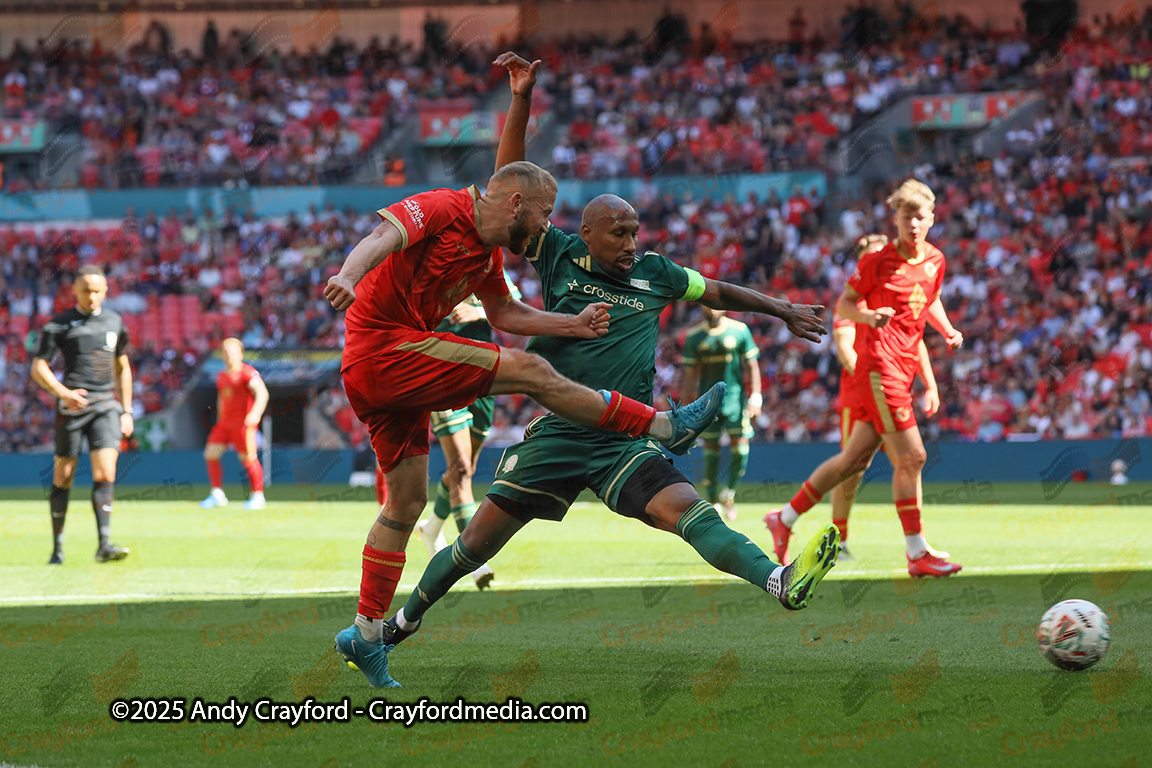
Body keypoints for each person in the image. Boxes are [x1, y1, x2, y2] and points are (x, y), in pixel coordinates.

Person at [359, 55, 836, 686]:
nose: (631, 242)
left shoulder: (657, 274)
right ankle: (398, 626)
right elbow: (511, 185)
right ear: (585, 233)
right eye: (618, 232)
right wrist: (521, 102)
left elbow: (716, 290)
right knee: (475, 545)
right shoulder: (558, 255)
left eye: (635, 231)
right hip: (560, 435)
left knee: (691, 514)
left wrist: (781, 310)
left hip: (621, 444)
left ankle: (778, 580)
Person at [765, 180, 964, 577]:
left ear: (931, 219)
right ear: (896, 218)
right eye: (906, 216)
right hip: (879, 370)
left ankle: (783, 518)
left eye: (919, 217)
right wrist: (868, 318)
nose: (912, 224)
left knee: (852, 461)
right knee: (913, 456)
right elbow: (844, 306)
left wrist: (946, 330)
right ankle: (916, 552)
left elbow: (931, 301)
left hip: (903, 370)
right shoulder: (878, 262)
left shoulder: (935, 261)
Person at [824, 233, 944, 562]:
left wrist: (929, 384)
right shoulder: (852, 302)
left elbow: (914, 340)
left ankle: (918, 542)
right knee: (853, 468)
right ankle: (839, 537)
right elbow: (845, 348)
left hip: (890, 388)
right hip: (861, 394)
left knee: (909, 462)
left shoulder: (900, 295)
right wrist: (870, 380)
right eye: (871, 258)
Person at [414, 280, 523, 590]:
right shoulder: (435, 271)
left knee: (466, 469)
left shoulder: (487, 267)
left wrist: (475, 312)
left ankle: (432, 527)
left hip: (483, 377)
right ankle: (475, 561)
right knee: (461, 468)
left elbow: (513, 304)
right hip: (444, 374)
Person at [31, 265, 133, 565]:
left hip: (105, 406)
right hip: (72, 407)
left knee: (105, 474)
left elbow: (122, 366)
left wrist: (126, 410)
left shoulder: (115, 321)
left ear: (105, 291)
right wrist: (64, 394)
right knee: (63, 476)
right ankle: (57, 548)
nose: (92, 296)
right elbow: (39, 366)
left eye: (97, 290)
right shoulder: (59, 324)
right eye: (86, 290)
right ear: (75, 291)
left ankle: (104, 544)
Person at [679, 307, 761, 520]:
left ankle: (729, 494)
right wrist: (687, 408)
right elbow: (689, 375)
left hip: (735, 401)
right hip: (707, 406)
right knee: (711, 452)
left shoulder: (740, 330)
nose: (713, 309)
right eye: (707, 304)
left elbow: (752, 365)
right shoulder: (694, 336)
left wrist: (756, 397)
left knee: (741, 449)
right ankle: (713, 501)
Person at [199, 338, 270, 510]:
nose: (229, 355)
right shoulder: (222, 376)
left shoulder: (247, 373)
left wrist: (255, 414)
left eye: (232, 352)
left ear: (240, 353)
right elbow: (222, 399)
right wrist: (219, 419)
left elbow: (262, 393)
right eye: (226, 352)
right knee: (210, 454)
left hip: (242, 424)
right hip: (224, 424)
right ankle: (217, 495)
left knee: (248, 459)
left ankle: (258, 496)